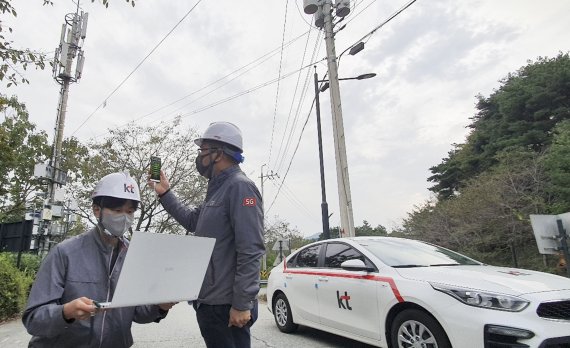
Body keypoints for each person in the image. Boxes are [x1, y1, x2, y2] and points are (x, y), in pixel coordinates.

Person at [22, 172, 175, 348]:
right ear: (96, 210)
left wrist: (160, 307)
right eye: (117, 210)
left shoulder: (134, 256)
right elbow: (34, 319)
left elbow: (138, 313)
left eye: (130, 211)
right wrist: (65, 312)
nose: (124, 217)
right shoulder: (65, 253)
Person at [150, 121, 265, 348]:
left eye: (203, 151)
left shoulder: (240, 188)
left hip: (226, 305)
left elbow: (251, 249)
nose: (199, 157)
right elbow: (193, 221)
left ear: (218, 154)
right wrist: (165, 194)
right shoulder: (218, 189)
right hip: (210, 302)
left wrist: (242, 304)